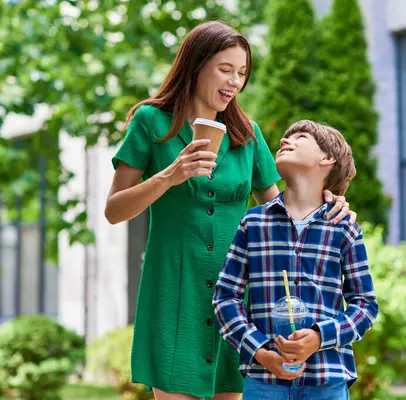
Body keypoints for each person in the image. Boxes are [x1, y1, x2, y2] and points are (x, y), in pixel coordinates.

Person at [104, 22, 356, 400]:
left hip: (239, 299)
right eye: (225, 69)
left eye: (242, 73)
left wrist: (329, 203)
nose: (235, 82)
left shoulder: (247, 134)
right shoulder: (151, 122)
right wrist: (170, 177)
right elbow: (113, 210)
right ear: (196, 64)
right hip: (175, 291)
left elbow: (281, 214)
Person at [212, 120, 379, 400]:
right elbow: (225, 298)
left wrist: (319, 337)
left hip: (327, 381)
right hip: (264, 381)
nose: (284, 141)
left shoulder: (343, 227)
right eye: (285, 138)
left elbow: (365, 305)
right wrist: (260, 351)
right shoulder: (253, 223)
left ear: (327, 159)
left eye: (300, 137)